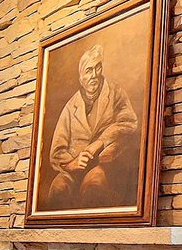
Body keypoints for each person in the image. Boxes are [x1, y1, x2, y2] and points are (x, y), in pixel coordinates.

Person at [46, 43, 138, 209]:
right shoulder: (70, 107)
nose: (94, 75)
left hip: (105, 163)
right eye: (89, 71)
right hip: (74, 169)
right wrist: (71, 163)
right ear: (81, 77)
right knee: (58, 189)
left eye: (98, 68)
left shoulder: (115, 92)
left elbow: (129, 123)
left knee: (94, 185)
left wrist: (101, 142)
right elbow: (56, 152)